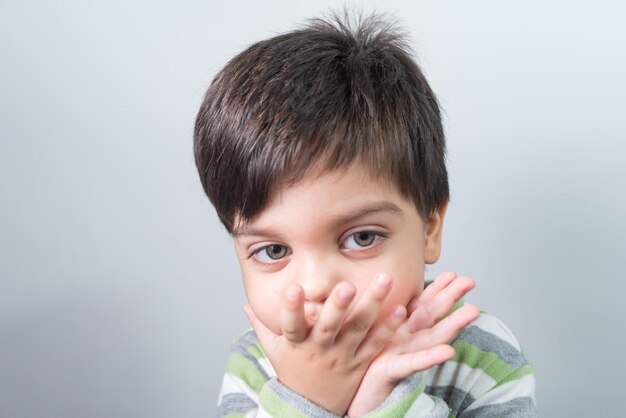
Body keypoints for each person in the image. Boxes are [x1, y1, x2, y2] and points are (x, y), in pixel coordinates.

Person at [194, 12, 537, 417]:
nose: (316, 286)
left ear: (429, 228)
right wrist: (306, 397)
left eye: (361, 238)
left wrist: (382, 402)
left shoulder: (479, 356)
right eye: (272, 250)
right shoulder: (255, 358)